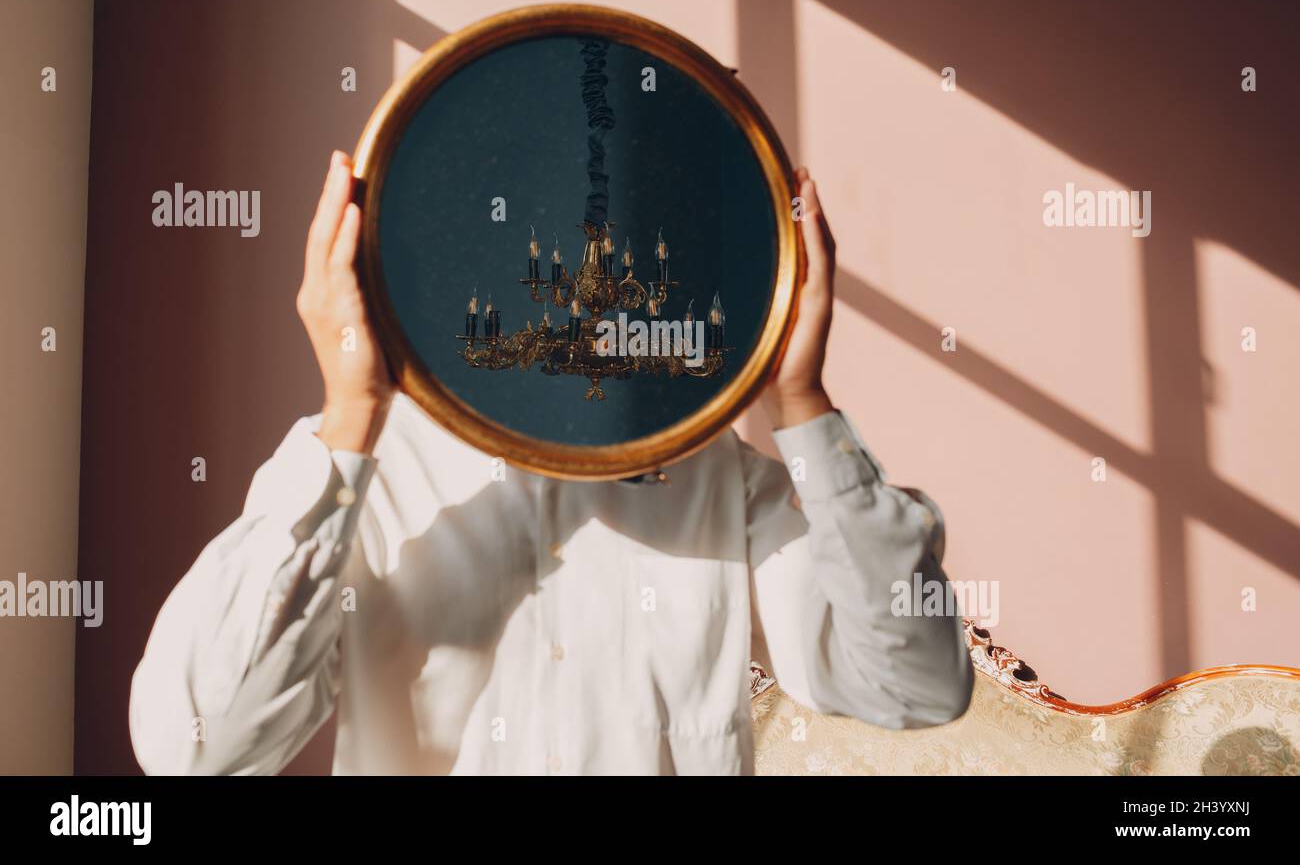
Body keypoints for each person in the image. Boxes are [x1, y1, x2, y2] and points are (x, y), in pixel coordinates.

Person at [129, 151, 973, 775]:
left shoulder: (720, 477)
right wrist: (351, 416)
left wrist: (799, 402)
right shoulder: (358, 474)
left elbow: (918, 684)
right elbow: (193, 749)